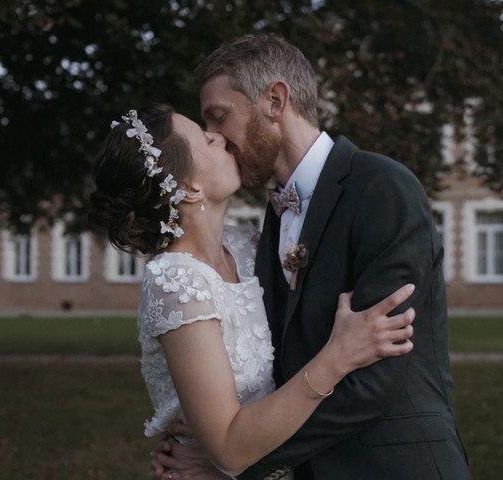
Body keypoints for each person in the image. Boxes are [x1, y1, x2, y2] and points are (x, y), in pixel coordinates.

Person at [152, 33, 471, 479]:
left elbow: (375, 379)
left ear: (275, 101)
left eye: (219, 117)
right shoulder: (262, 228)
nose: (216, 139)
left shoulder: (381, 188)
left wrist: (234, 461)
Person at [89, 104, 417, 478]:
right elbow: (229, 449)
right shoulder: (177, 284)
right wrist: (339, 356)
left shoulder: (249, 246)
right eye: (205, 138)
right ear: (187, 187)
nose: (221, 138)